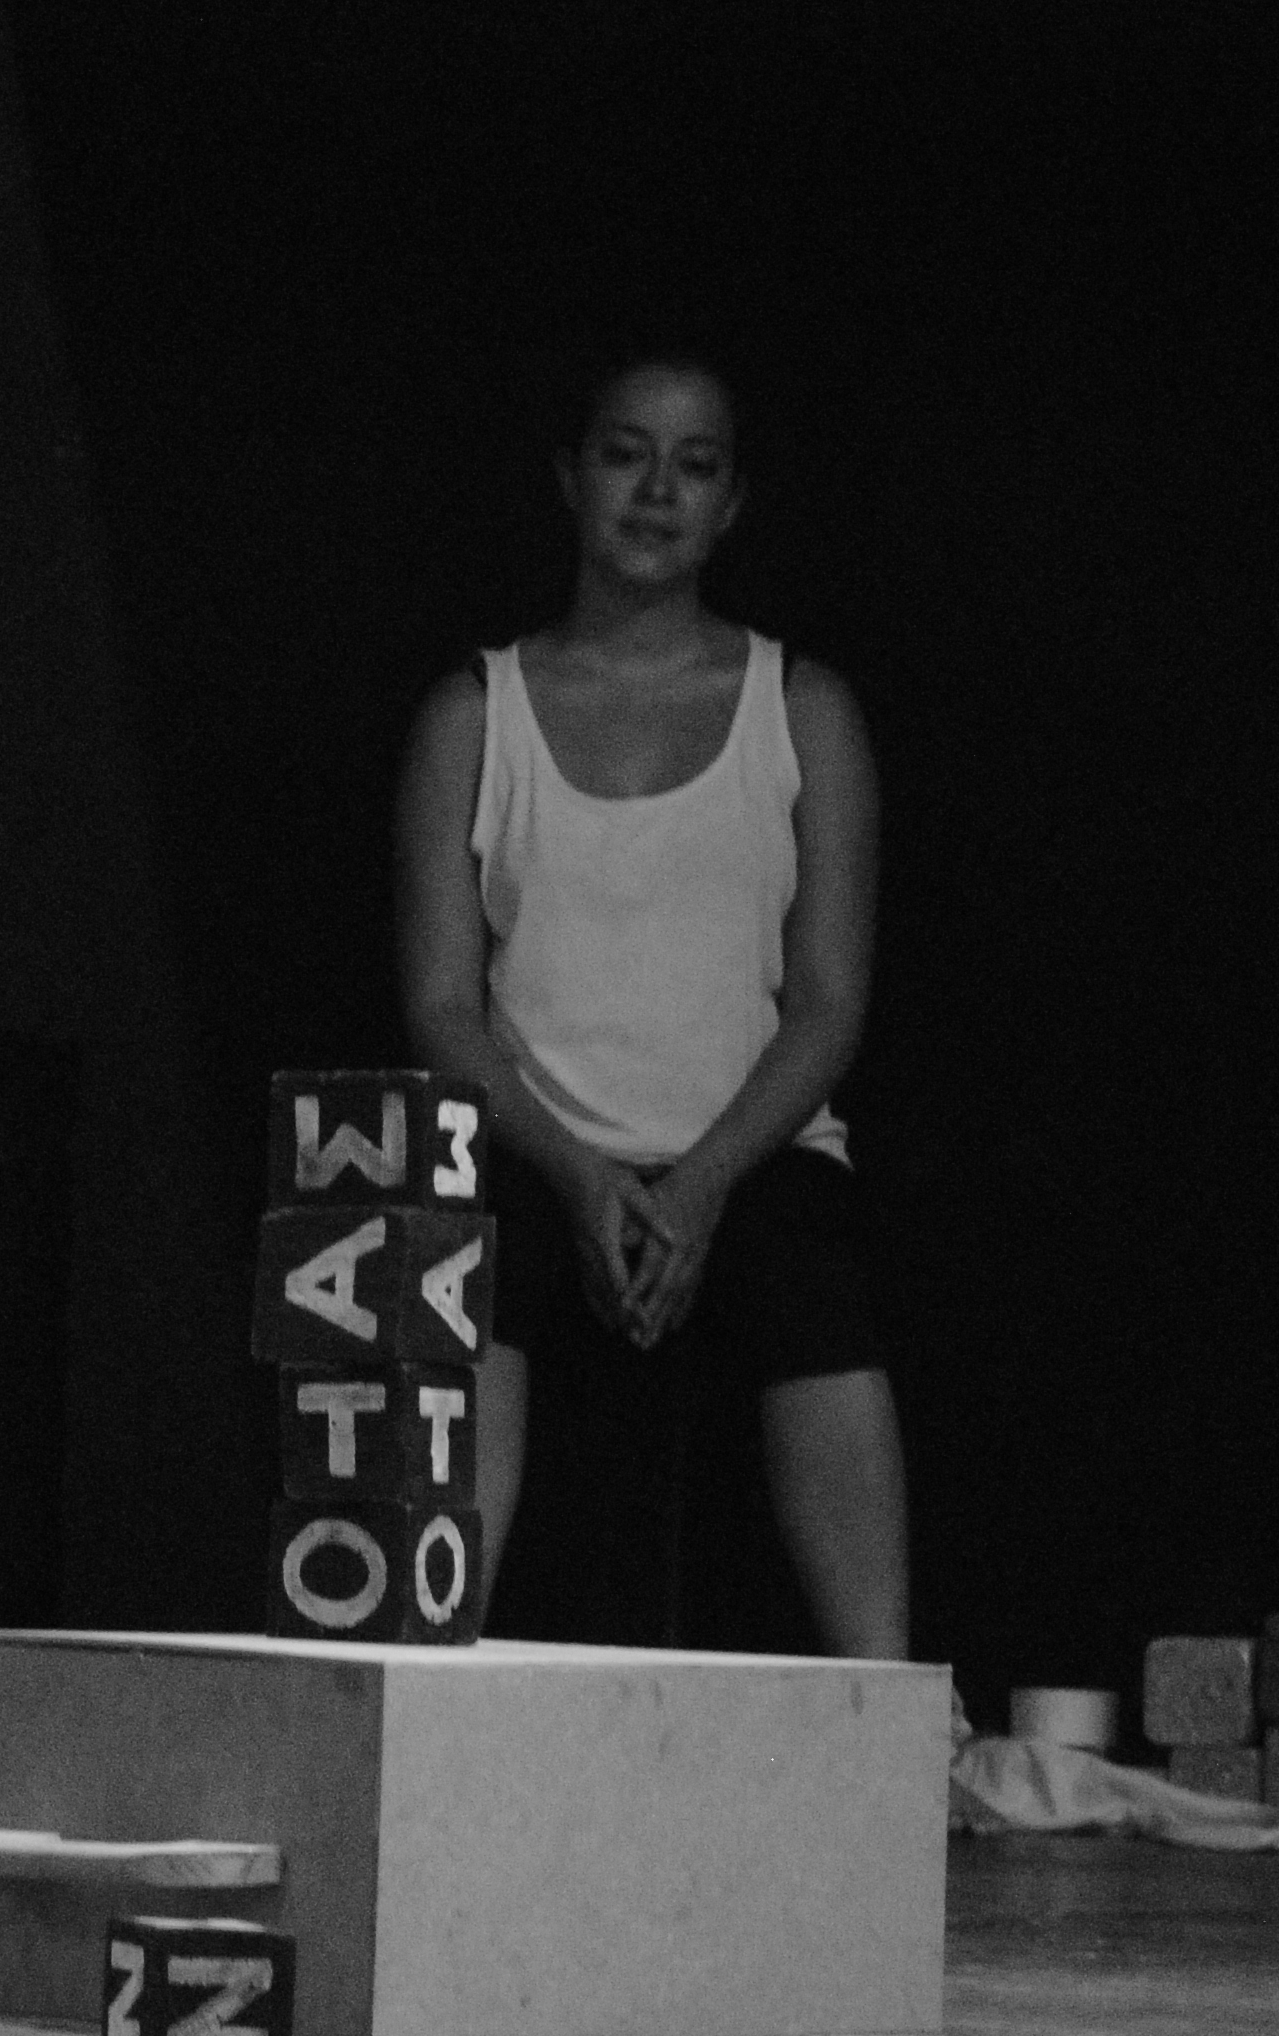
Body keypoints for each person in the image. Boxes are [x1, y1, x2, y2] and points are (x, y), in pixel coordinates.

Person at [393, 352, 911, 1658]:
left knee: (809, 1277)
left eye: (694, 465)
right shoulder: (474, 712)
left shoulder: (804, 708)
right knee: (467, 1262)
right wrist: (580, 1175)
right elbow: (442, 1006)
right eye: (626, 455)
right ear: (571, 478)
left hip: (750, 1150)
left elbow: (829, 1001)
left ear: (731, 503)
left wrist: (698, 1185)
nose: (656, 492)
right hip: (534, 1148)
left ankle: (887, 1700)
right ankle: (429, 1666)